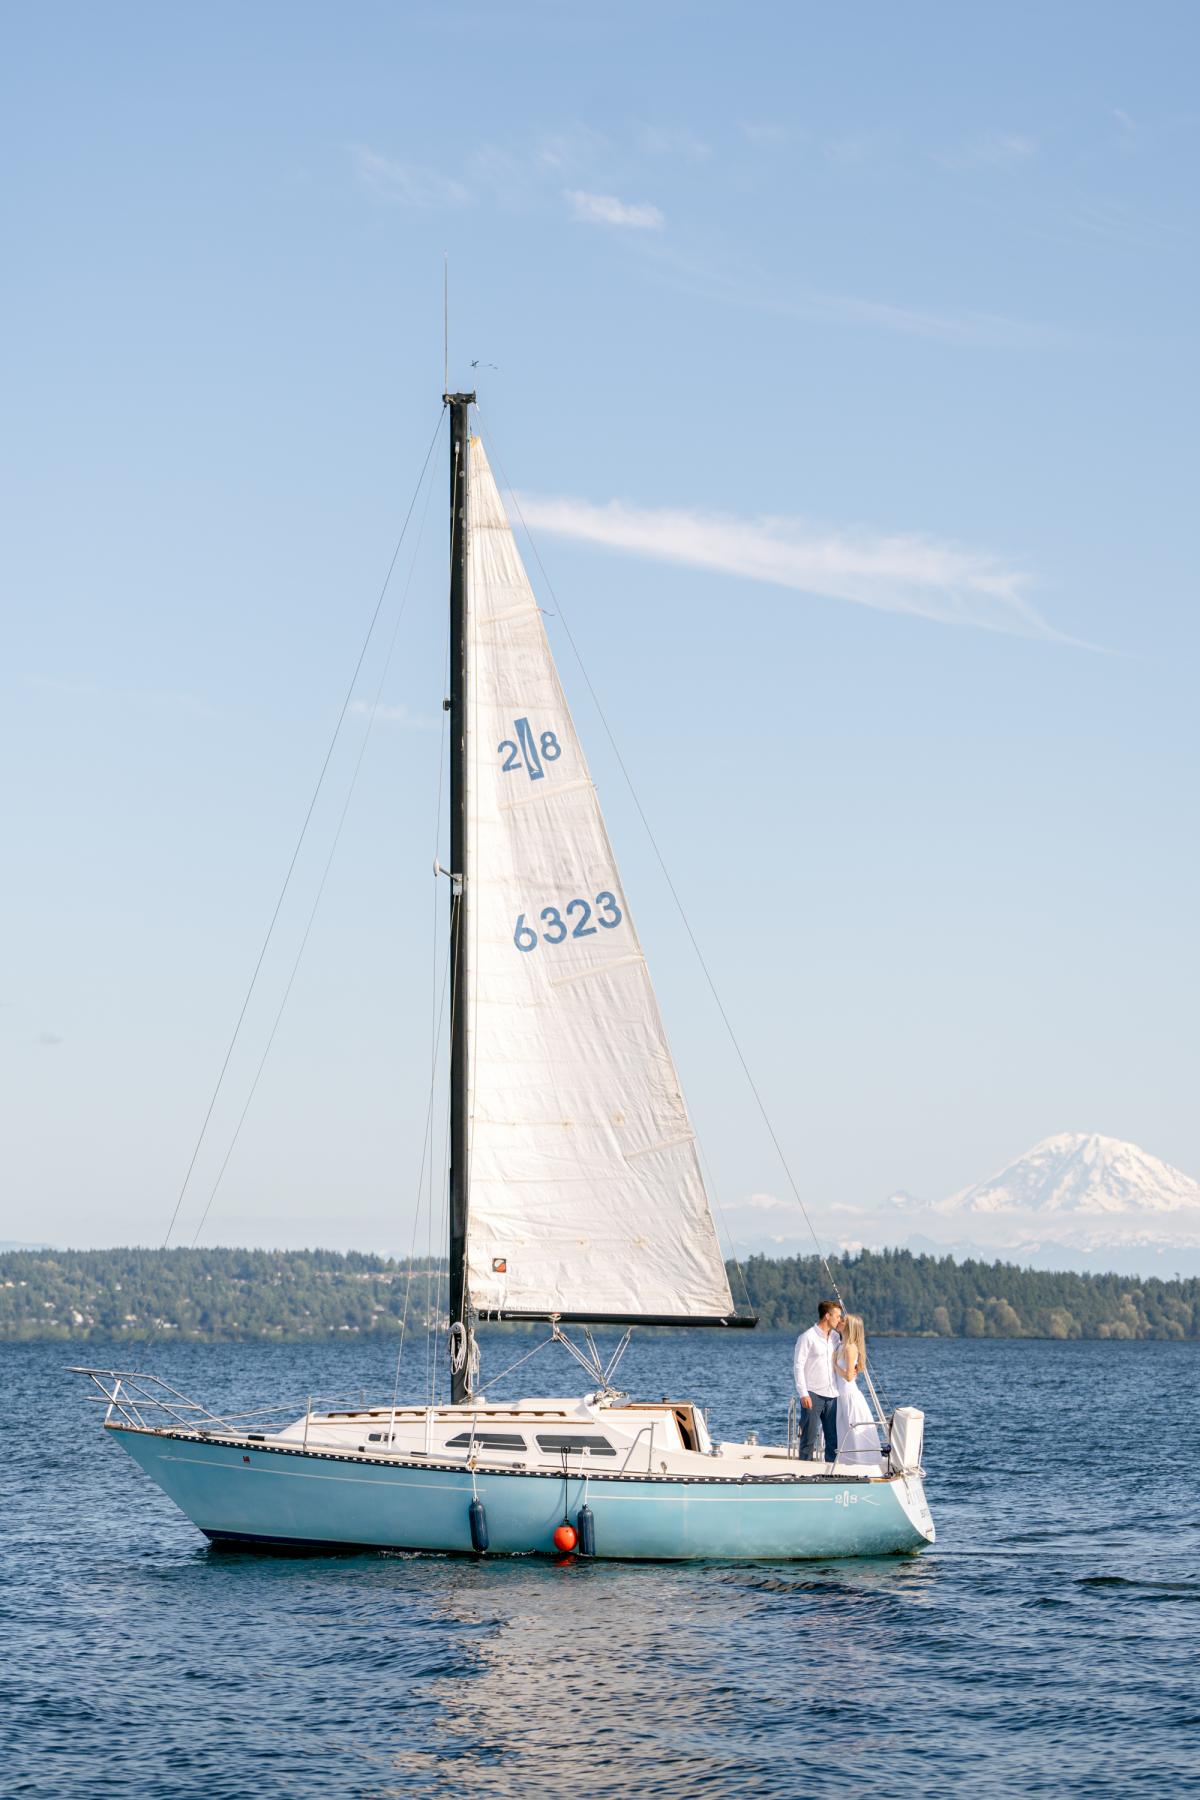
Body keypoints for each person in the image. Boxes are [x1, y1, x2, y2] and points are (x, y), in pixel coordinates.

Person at [793, 1300, 842, 1462]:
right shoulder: (807, 1337)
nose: (839, 1320)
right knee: (808, 1438)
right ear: (827, 1316)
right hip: (812, 1394)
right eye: (837, 1316)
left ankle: (831, 1474)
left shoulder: (835, 1337)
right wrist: (803, 1394)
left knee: (833, 1439)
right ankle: (803, 1474)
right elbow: (798, 1366)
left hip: (832, 1394)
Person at [834, 1313, 882, 1466]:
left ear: (849, 1327)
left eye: (843, 1321)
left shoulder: (850, 1348)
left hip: (848, 1395)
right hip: (840, 1394)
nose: (840, 1321)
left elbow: (849, 1376)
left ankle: (860, 1463)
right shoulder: (841, 1345)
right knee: (841, 1432)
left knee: (852, 1433)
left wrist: (833, 1365)